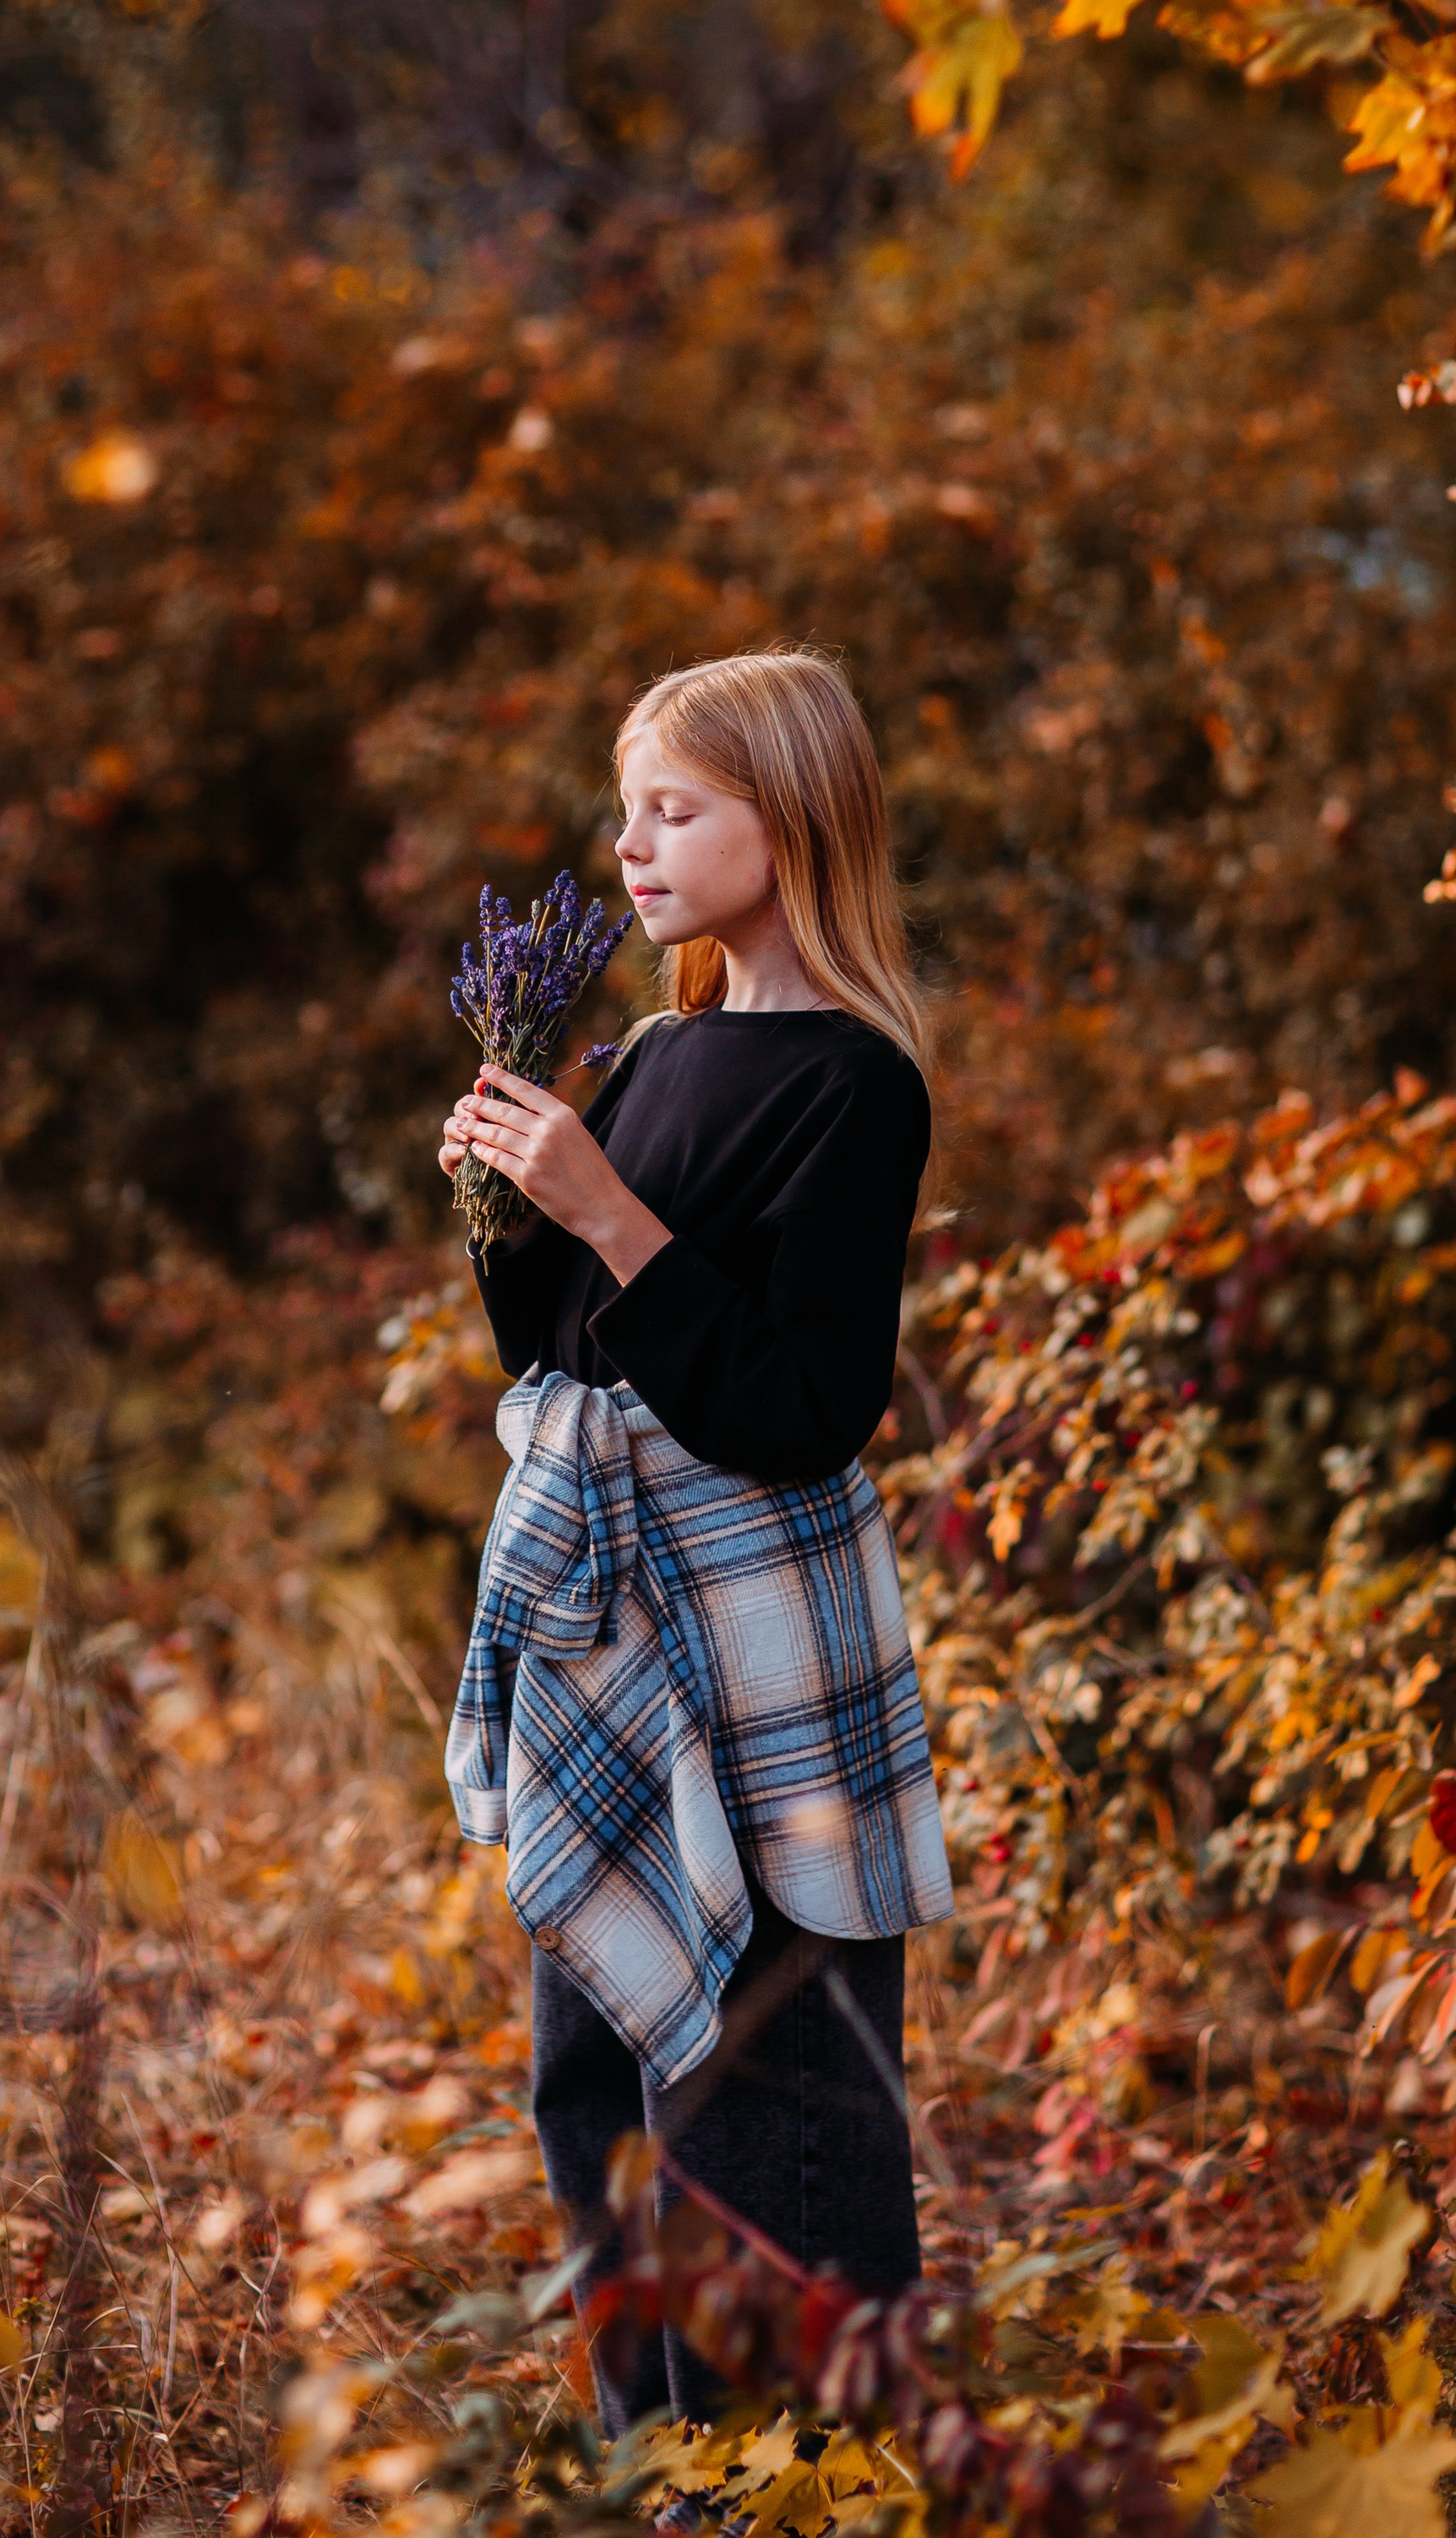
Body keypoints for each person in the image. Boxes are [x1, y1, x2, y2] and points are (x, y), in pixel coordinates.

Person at [437, 647, 952, 2436]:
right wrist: (513, 1213)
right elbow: (563, 1344)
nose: (632, 844)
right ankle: (652, 2451)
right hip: (604, 1617)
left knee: (767, 2056)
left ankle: (801, 2460)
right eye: (629, 805)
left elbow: (800, 1404)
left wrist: (605, 1207)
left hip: (752, 1625)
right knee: (594, 2051)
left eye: (677, 807)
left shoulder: (852, 1082)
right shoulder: (651, 1049)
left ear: (787, 817)